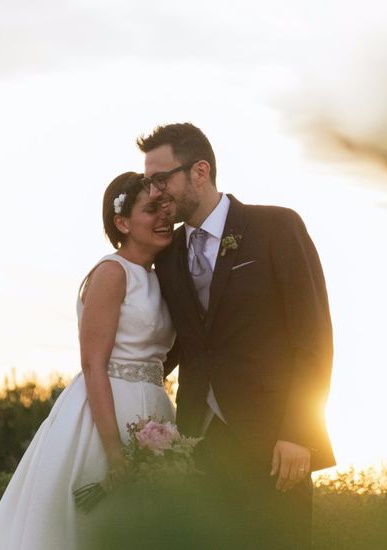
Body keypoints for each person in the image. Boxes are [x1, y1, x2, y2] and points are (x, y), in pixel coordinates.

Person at [140, 123, 335, 549]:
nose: (153, 193)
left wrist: (299, 431)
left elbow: (313, 336)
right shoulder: (167, 256)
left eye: (161, 179)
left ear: (200, 171)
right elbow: (172, 344)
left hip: (276, 445)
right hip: (197, 446)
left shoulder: (277, 228)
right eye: (147, 183)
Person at [0, 172, 177, 549]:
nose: (164, 216)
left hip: (154, 410)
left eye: (165, 207)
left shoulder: (159, 278)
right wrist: (114, 454)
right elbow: (93, 364)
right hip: (106, 413)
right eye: (151, 209)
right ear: (123, 222)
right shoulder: (111, 273)